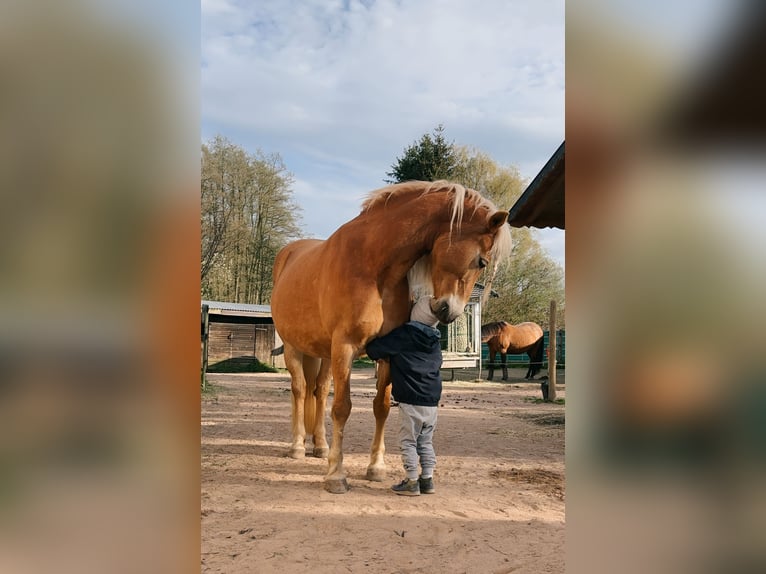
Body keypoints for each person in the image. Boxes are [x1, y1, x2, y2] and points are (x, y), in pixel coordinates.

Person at [366, 296, 443, 496]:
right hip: (432, 403)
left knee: (408, 442)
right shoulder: (435, 341)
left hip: (410, 401)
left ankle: (411, 481)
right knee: (425, 442)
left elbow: (374, 350)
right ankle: (427, 479)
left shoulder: (404, 335)